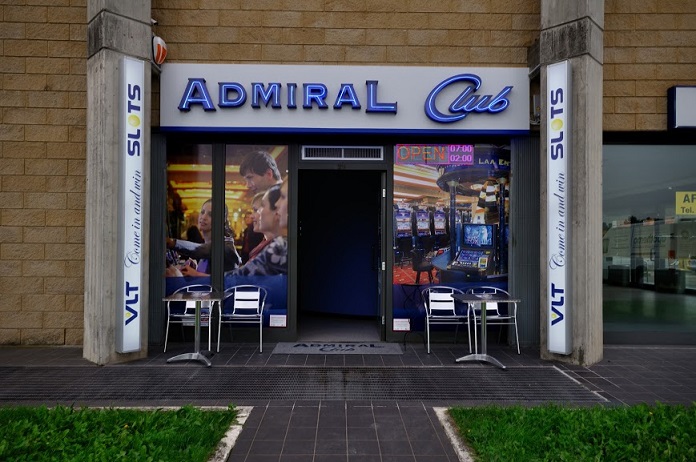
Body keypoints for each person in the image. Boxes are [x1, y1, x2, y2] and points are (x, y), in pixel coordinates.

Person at [166, 199, 241, 277]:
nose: (203, 217)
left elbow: (225, 282)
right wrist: (197, 269)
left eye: (210, 215)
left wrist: (171, 242)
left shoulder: (225, 246)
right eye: (202, 212)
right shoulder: (209, 244)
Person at [226, 180, 287, 276]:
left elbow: (236, 278)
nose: (278, 204)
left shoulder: (281, 247)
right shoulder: (279, 245)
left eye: (262, 206)